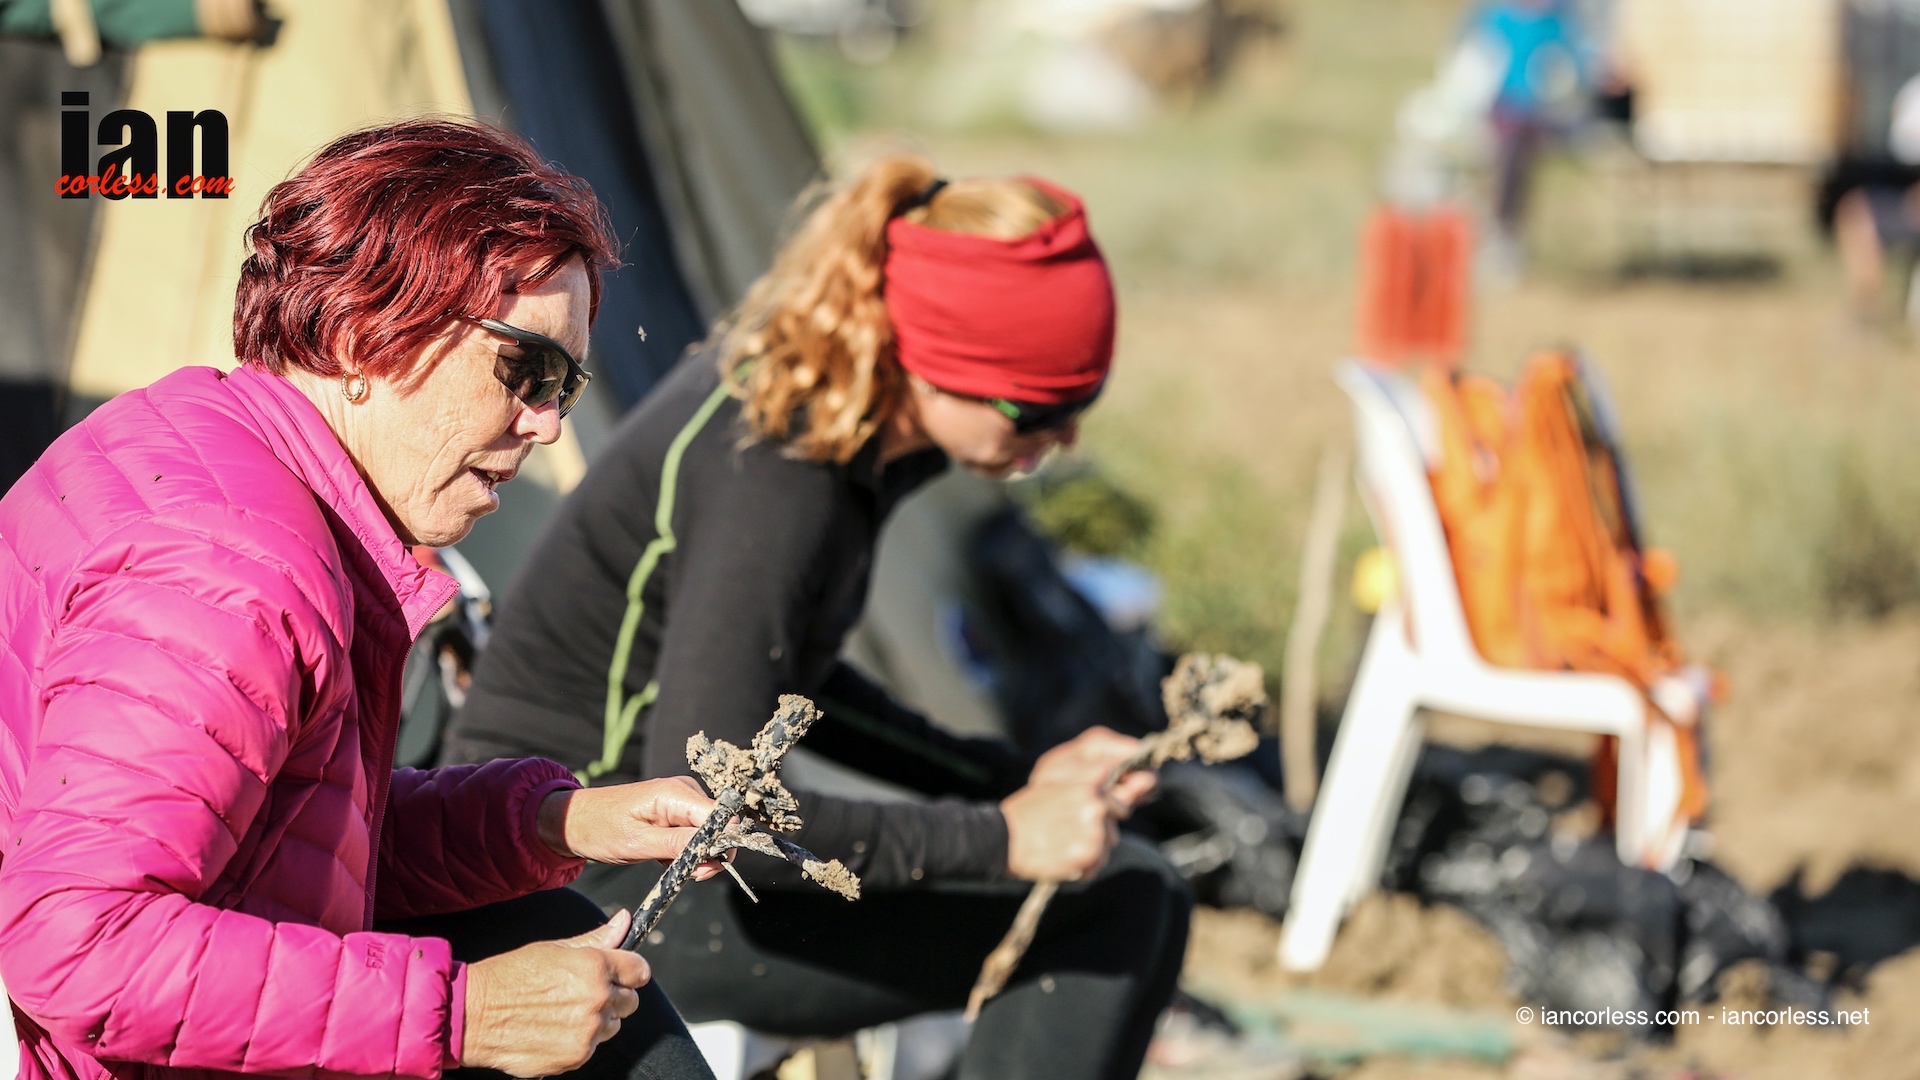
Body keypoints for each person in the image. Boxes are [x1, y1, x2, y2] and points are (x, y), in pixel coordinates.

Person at [0, 119, 729, 1080]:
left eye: (569, 385)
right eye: (528, 369)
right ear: (365, 333)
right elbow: (81, 945)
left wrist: (556, 824)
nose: (548, 424)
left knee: (548, 928)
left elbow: (287, 839)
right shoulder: (229, 571)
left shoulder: (204, 436)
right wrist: (466, 1014)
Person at [443, 156, 1191, 1080]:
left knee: (1126, 884)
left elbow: (788, 674)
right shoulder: (777, 479)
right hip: (589, 883)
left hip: (632, 848)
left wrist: (1008, 777)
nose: (1065, 437)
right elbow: (719, 807)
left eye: (1082, 403)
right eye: (1040, 406)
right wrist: (1003, 835)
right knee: (1123, 901)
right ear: (939, 364)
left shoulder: (822, 412)